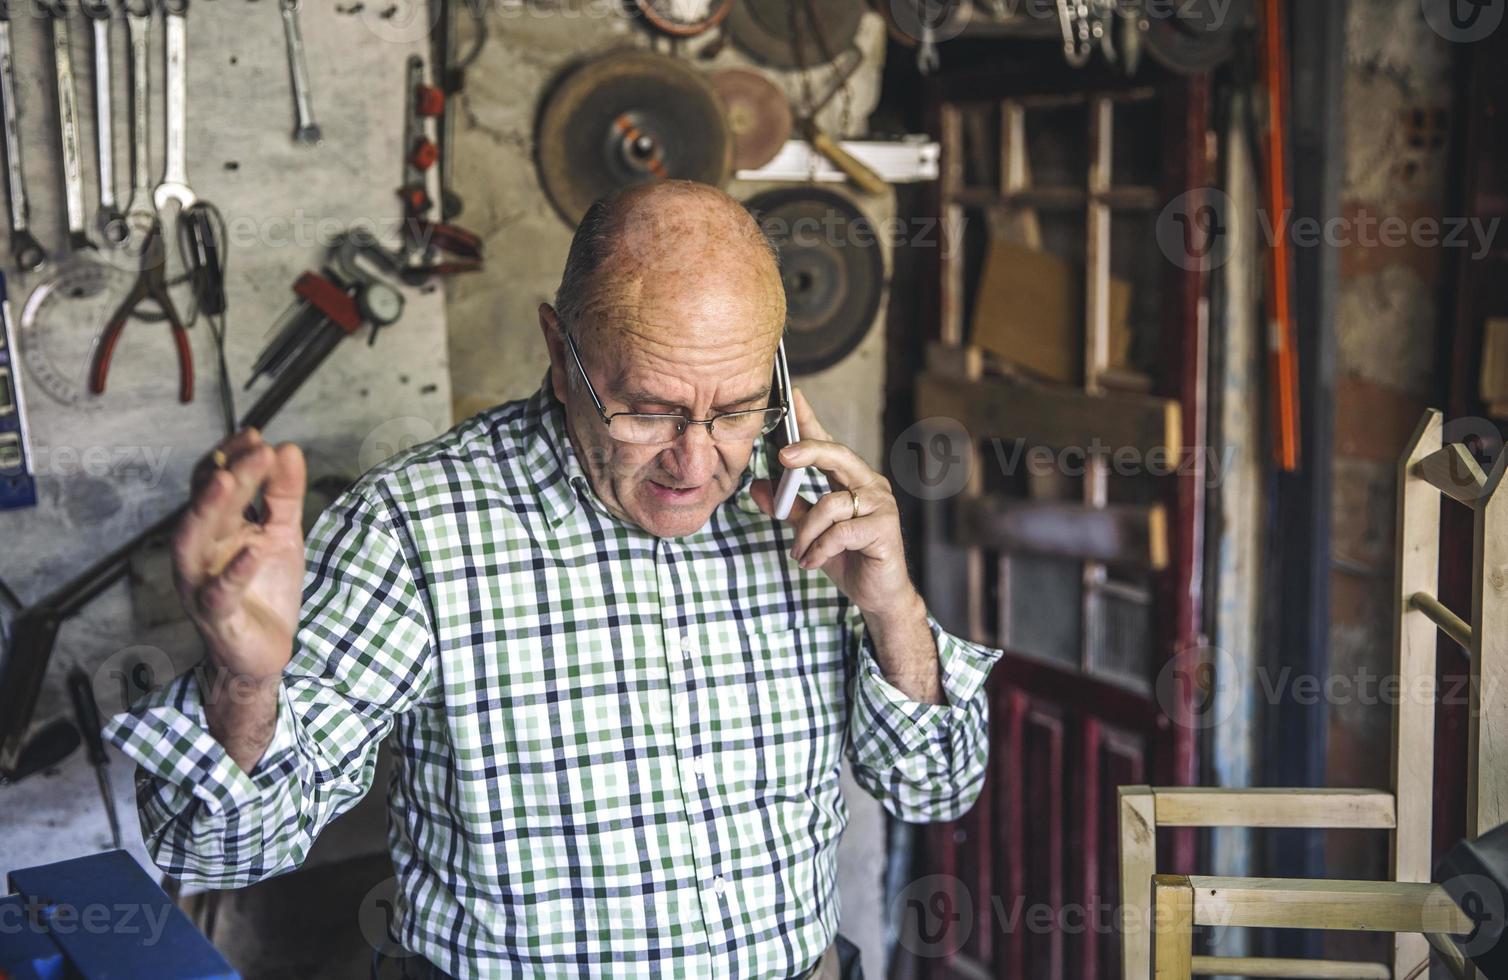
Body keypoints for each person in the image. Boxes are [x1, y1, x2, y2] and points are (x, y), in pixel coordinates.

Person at [105, 180, 1002, 979]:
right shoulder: (417, 528)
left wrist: (895, 612)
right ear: (558, 350)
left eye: (734, 408)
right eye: (650, 409)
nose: (696, 461)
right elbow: (212, 846)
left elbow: (936, 789)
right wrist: (245, 681)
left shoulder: (813, 506)